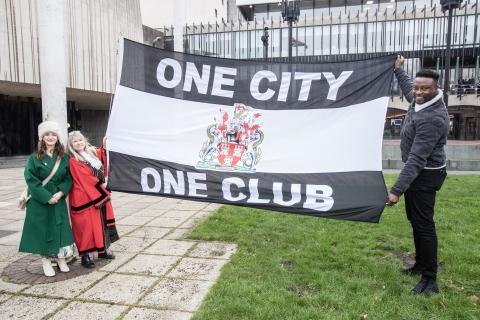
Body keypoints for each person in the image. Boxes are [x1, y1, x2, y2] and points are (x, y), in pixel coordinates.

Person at [387, 55, 449, 295]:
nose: (418, 92)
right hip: (418, 174)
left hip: (425, 176)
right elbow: (408, 89)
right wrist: (398, 71)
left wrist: (396, 190)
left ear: (436, 89)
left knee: (424, 226)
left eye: (425, 89)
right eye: (417, 87)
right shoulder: (420, 101)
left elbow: (416, 159)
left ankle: (430, 279)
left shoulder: (433, 118)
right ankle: (420, 264)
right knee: (415, 221)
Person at [19, 121, 74, 277]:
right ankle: (46, 261)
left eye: (54, 134)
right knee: (43, 230)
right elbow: (31, 180)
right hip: (40, 200)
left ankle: (61, 258)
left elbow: (69, 178)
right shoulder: (34, 158)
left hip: (58, 198)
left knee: (60, 228)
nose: (50, 137)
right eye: (47, 135)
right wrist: (46, 196)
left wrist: (60, 193)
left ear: (58, 137)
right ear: (42, 138)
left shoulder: (64, 157)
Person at [67, 131, 119, 268]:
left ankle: (102, 251)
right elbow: (85, 179)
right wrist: (104, 188)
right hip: (84, 197)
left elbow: (103, 155)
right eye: (75, 142)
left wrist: (105, 143)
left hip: (97, 193)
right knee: (86, 228)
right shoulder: (73, 160)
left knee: (101, 224)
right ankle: (85, 256)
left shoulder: (91, 153)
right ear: (71, 145)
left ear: (84, 140)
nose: (79, 143)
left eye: (80, 140)